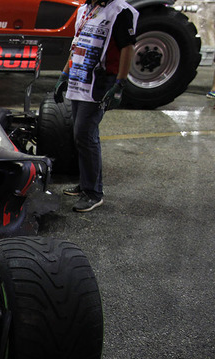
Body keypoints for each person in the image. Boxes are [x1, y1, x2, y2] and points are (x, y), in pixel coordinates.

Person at [54, 0, 137, 213]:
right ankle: (87, 184)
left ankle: (93, 193)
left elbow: (127, 48)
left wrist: (120, 83)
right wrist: (65, 73)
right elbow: (77, 44)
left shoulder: (119, 11)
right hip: (79, 78)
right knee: (83, 134)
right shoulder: (86, 10)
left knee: (84, 133)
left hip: (100, 82)